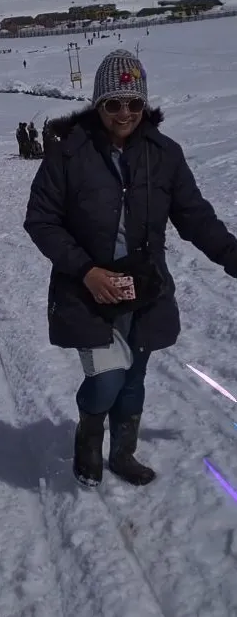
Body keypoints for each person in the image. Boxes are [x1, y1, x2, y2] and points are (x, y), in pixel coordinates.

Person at [24, 49, 237, 490]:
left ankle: (122, 453)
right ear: (99, 103)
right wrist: (86, 271)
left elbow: (195, 216)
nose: (125, 113)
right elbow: (41, 220)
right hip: (89, 292)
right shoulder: (68, 154)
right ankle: (89, 439)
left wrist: (232, 255)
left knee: (134, 379)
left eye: (134, 103)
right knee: (105, 383)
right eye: (114, 103)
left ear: (145, 104)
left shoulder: (164, 155)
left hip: (144, 290)